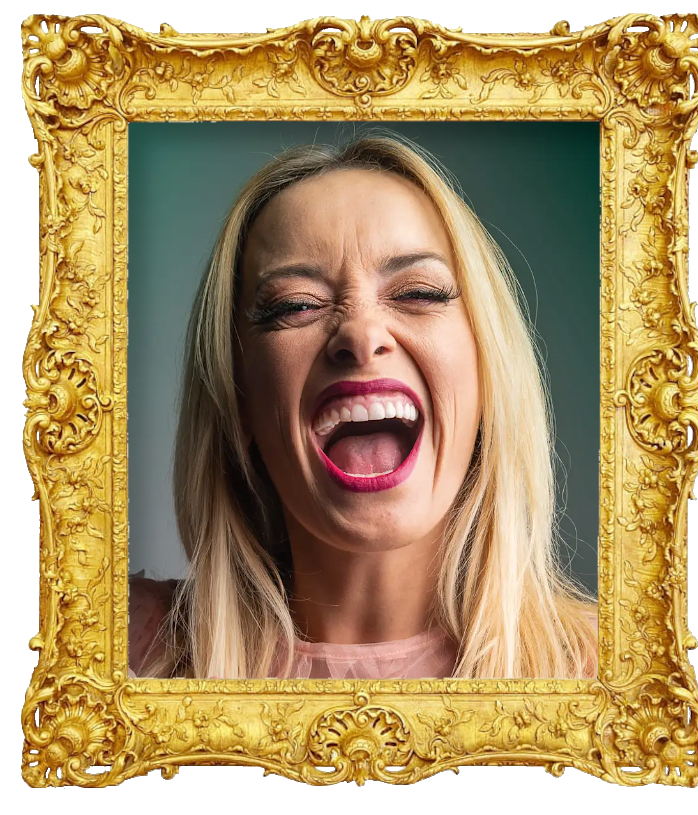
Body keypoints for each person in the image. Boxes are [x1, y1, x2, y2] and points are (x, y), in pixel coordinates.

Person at [129, 133, 598, 680]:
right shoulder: (116, 655)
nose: (360, 332)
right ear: (239, 398)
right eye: (295, 305)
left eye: (419, 292)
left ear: (487, 371)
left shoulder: (624, 680)